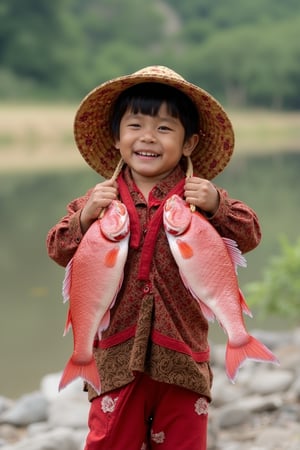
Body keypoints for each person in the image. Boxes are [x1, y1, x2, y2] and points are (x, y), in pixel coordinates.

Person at [46, 66, 261, 450]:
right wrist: (83, 217)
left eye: (164, 128)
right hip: (114, 360)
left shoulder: (199, 200)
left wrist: (218, 205)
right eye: (135, 126)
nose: (148, 137)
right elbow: (58, 248)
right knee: (109, 442)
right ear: (116, 138)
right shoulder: (99, 200)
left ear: (189, 143)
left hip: (184, 360)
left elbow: (250, 234)